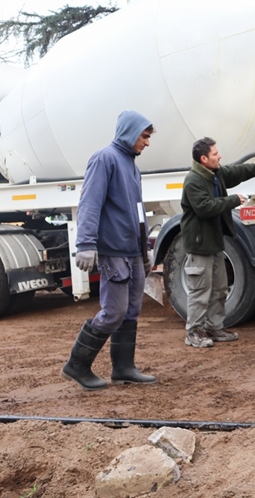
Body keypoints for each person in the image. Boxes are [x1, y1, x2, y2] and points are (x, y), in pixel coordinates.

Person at [62, 110, 157, 390]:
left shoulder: (131, 165)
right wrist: (86, 244)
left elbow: (139, 210)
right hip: (113, 250)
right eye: (144, 136)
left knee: (131, 310)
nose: (147, 143)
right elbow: (90, 202)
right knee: (114, 311)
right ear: (130, 132)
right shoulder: (104, 158)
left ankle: (124, 368)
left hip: (132, 251)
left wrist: (145, 248)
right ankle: (76, 365)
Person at [181, 137, 255, 348]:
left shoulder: (215, 174)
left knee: (219, 289)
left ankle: (214, 328)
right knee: (200, 291)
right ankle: (194, 332)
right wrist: (234, 200)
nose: (220, 156)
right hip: (200, 246)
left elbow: (238, 172)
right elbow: (204, 207)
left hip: (215, 243)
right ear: (204, 159)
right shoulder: (193, 180)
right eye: (216, 154)